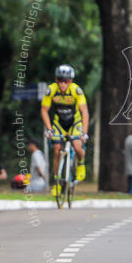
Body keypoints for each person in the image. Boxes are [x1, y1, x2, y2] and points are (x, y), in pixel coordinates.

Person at [41, 64, 90, 196]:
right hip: (59, 123)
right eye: (60, 80)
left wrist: (84, 132)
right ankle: (57, 183)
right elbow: (44, 110)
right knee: (56, 151)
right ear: (56, 80)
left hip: (75, 122)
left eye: (66, 81)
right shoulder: (51, 90)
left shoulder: (76, 91)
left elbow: (84, 111)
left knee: (77, 144)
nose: (63, 83)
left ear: (71, 81)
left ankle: (81, 163)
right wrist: (49, 129)